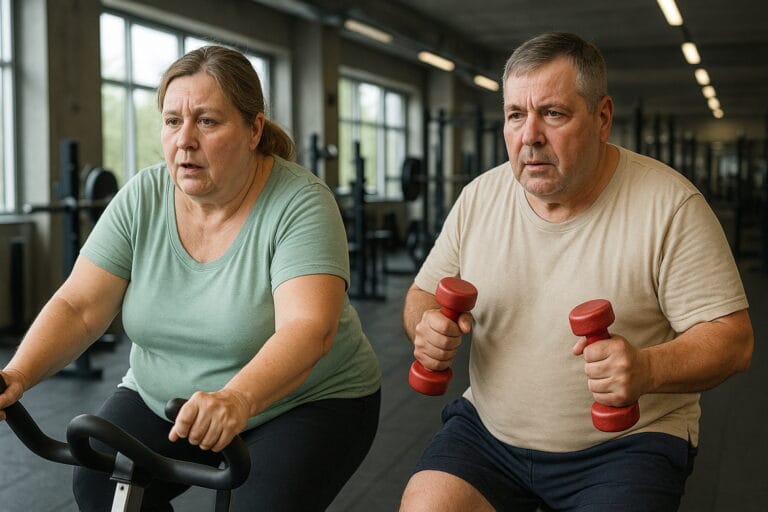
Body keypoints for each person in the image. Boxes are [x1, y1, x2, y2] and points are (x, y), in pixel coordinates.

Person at [0, 45, 381, 511]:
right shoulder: (143, 196)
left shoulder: (299, 202)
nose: (185, 140)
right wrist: (16, 374)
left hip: (306, 400)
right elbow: (80, 307)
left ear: (253, 130)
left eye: (207, 121)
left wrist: (238, 398)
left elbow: (308, 329)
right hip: (166, 396)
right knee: (100, 483)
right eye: (172, 121)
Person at [399, 32, 753, 512]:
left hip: (626, 444)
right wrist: (426, 327)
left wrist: (647, 368)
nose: (530, 136)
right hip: (489, 433)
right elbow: (421, 294)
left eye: (554, 113)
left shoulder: (671, 206)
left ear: (602, 118)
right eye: (516, 115)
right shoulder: (480, 197)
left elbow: (733, 341)